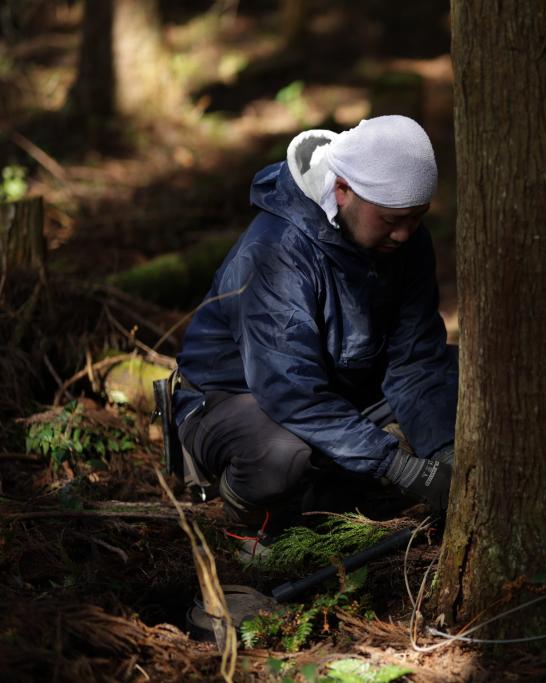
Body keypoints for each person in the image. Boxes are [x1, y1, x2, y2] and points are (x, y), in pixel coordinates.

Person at [171, 116, 456, 545]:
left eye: (417, 217)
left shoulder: (405, 240)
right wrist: (399, 466)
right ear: (343, 190)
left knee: (468, 380)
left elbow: (416, 358)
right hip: (234, 400)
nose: (404, 233)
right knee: (282, 456)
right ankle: (248, 523)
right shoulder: (275, 252)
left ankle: (331, 491)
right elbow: (289, 390)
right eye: (391, 219)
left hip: (341, 390)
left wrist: (444, 453)